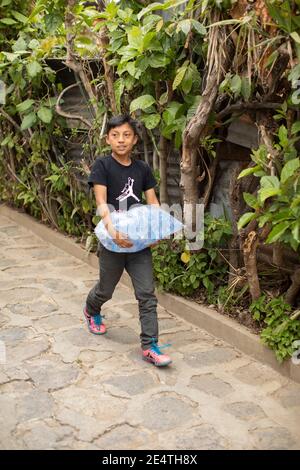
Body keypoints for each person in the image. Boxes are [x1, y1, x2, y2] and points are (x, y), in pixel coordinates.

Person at [84, 114, 172, 367]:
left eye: (126, 135)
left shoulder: (142, 169)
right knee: (106, 289)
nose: (121, 140)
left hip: (138, 243)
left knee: (146, 293)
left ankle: (149, 346)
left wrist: (155, 232)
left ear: (134, 140)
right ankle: (92, 310)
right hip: (112, 241)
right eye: (115, 135)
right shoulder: (102, 166)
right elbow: (101, 201)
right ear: (108, 139)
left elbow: (152, 202)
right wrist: (111, 230)